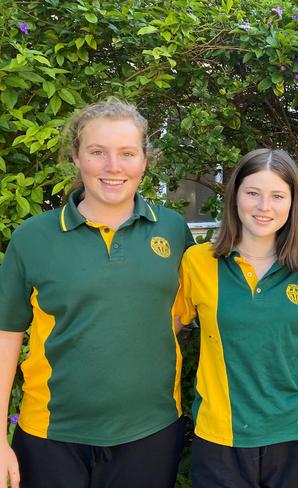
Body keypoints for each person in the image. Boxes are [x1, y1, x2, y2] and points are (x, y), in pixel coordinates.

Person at [0, 99, 194, 488]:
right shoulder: (33, 238)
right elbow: (6, 335)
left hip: (151, 431)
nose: (113, 167)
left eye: (127, 153)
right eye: (97, 152)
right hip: (51, 434)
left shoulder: (173, 231)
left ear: (145, 160)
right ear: (76, 156)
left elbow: (185, 315)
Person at [174, 148, 298, 488]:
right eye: (252, 193)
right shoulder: (198, 262)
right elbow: (167, 331)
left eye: (277, 196)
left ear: (293, 203)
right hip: (220, 435)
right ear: (234, 196)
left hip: (296, 432)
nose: (264, 207)